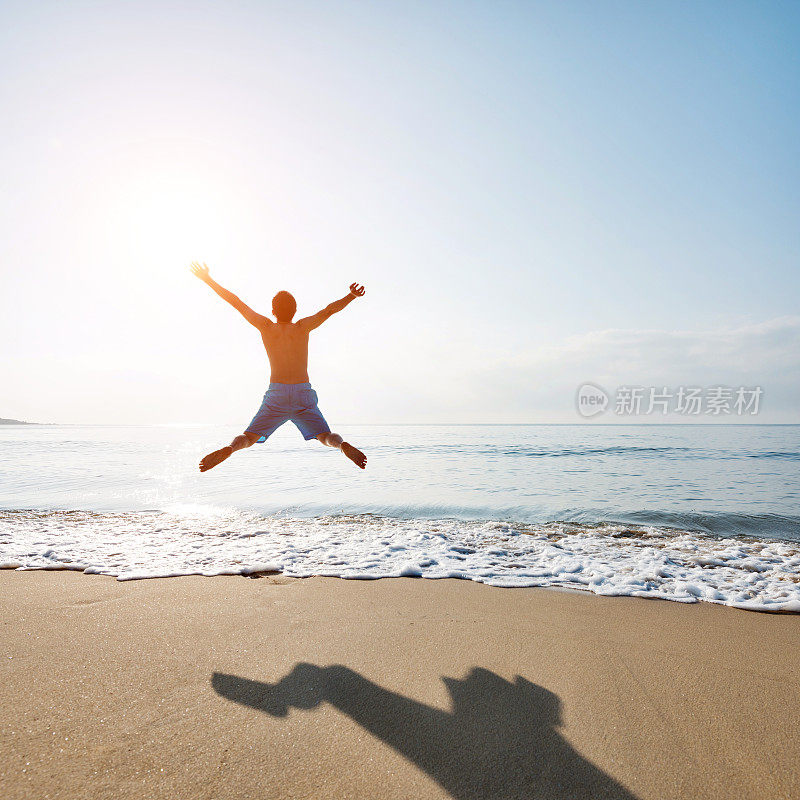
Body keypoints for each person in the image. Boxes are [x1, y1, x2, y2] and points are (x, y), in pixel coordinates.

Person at [189, 261, 367, 472]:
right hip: (302, 391)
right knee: (325, 436)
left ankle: (230, 448)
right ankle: (341, 445)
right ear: (296, 310)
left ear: (273, 311)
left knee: (248, 437)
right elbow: (328, 311)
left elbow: (236, 303)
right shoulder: (302, 327)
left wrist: (208, 279)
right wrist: (351, 296)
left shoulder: (266, 327)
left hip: (277, 394)